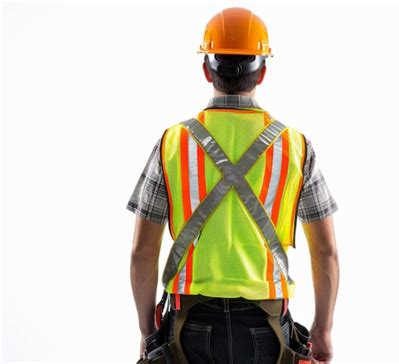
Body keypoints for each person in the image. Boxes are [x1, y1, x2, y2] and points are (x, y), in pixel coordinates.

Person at [128, 7, 339, 364]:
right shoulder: (296, 147)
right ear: (264, 72)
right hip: (267, 326)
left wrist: (147, 332)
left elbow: (142, 254)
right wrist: (323, 330)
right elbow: (326, 253)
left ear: (206, 70)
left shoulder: (173, 143)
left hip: (188, 326)